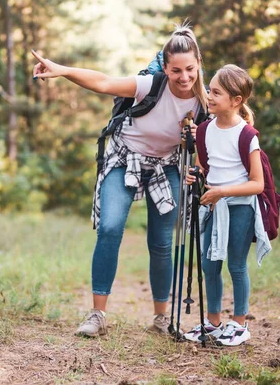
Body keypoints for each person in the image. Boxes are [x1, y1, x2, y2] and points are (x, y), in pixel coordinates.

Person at [31, 24, 209, 337]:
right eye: (176, 70)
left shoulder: (204, 104)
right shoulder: (149, 84)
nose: (184, 77)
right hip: (124, 157)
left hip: (166, 165)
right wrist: (61, 70)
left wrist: (198, 144)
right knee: (110, 227)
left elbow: (234, 127)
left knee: (162, 241)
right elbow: (103, 82)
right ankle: (97, 315)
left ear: (199, 66)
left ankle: (160, 319)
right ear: (165, 68)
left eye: (190, 69)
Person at [183, 64, 272, 346]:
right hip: (213, 207)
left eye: (216, 92)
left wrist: (222, 192)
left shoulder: (247, 135)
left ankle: (240, 324)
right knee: (210, 266)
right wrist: (194, 175)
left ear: (236, 101)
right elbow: (203, 167)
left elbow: (257, 184)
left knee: (235, 264)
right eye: (209, 90)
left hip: (240, 207)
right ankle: (212, 323)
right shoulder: (204, 131)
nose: (209, 96)